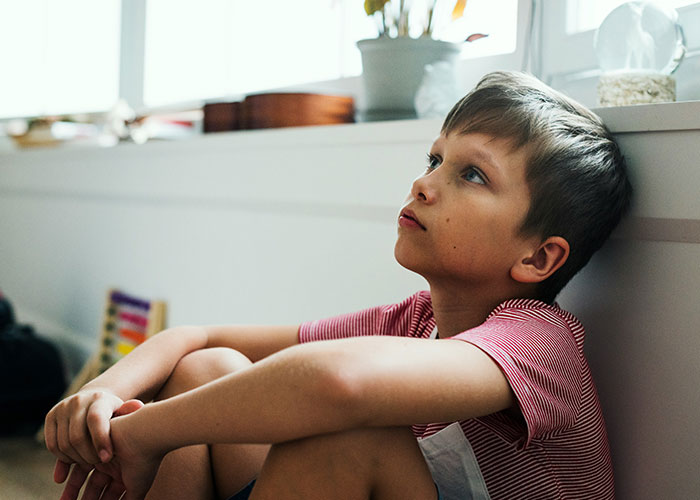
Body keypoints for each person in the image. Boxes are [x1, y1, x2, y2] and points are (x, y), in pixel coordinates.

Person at [45, 71, 631, 500]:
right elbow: (195, 337)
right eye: (433, 160)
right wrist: (104, 394)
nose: (423, 184)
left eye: (471, 174)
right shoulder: (418, 319)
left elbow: (338, 383)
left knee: (348, 436)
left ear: (537, 257)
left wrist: (142, 433)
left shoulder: (541, 341)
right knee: (206, 368)